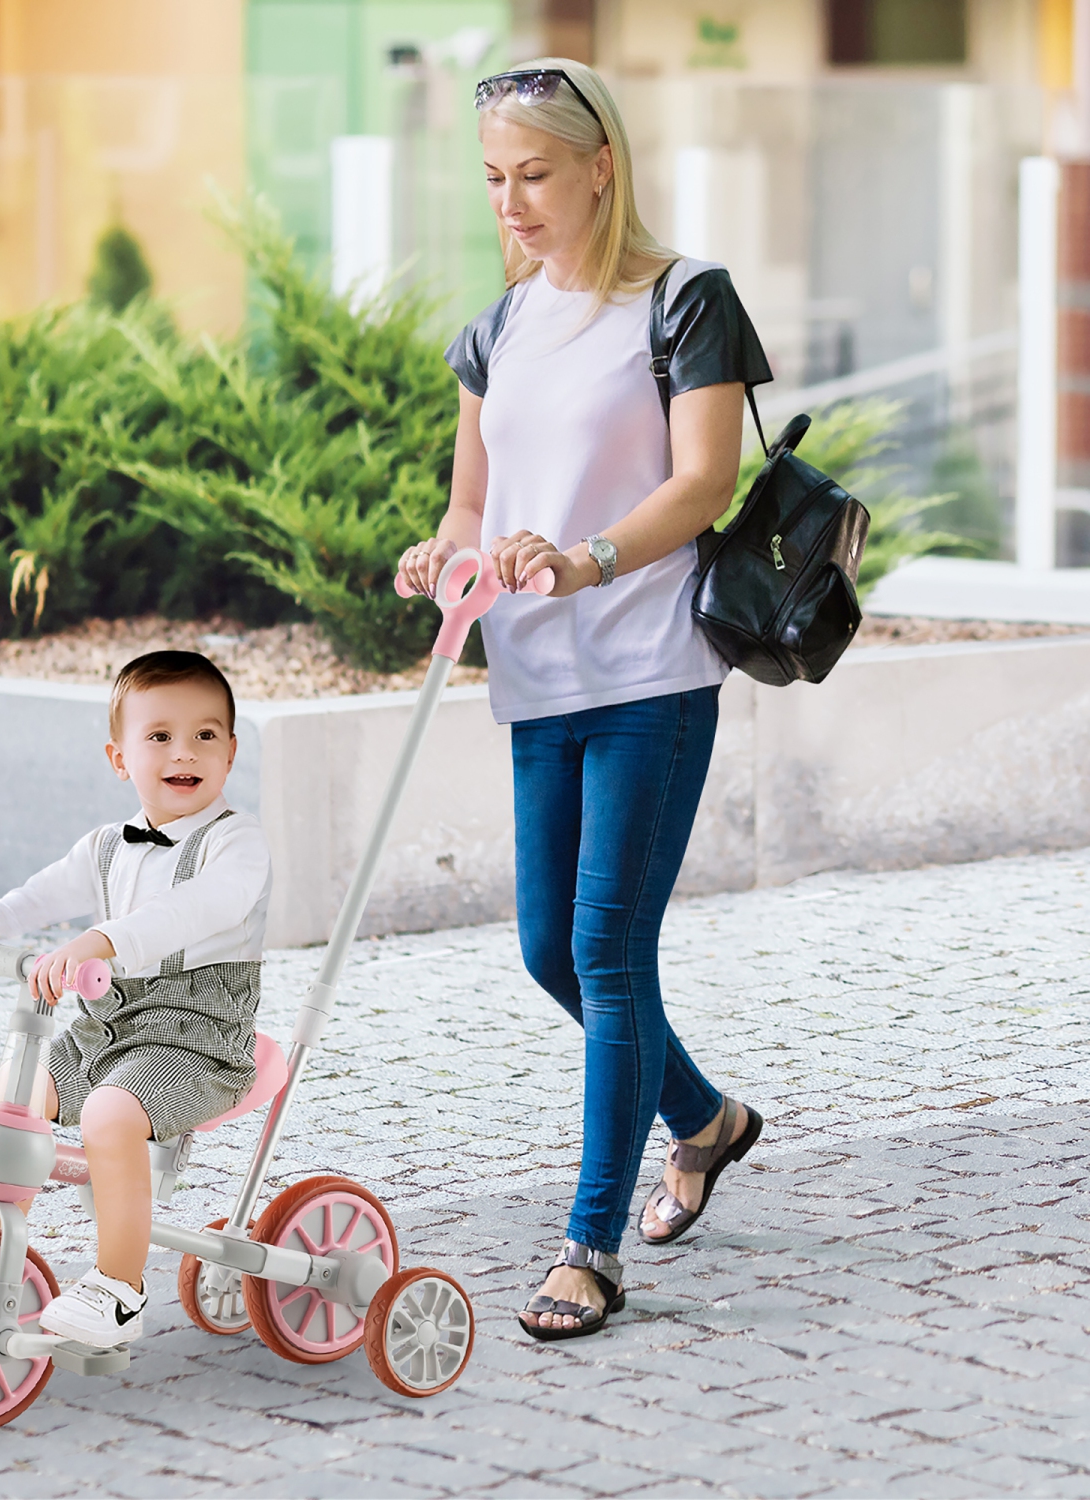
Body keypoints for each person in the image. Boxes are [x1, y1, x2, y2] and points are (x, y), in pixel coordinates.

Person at [397, 59, 767, 1342]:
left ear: (601, 164)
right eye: (495, 180)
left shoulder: (684, 303)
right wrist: (444, 553)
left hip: (651, 669)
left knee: (608, 950)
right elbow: (471, 500)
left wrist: (584, 558)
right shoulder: (498, 329)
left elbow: (704, 481)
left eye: (536, 175)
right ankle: (707, 1120)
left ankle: (590, 1248)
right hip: (536, 677)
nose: (513, 203)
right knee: (549, 951)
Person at [0, 650, 271, 1349]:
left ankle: (119, 1285)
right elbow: (41, 893)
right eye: (159, 736)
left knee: (109, 1113)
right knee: (12, 1101)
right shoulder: (109, 846)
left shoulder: (238, 844)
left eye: (205, 735)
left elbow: (198, 909)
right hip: (106, 1029)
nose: (184, 751)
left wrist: (100, 941)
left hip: (197, 1040)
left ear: (230, 752)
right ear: (120, 757)